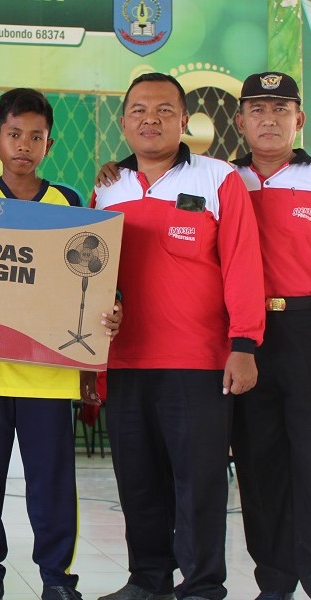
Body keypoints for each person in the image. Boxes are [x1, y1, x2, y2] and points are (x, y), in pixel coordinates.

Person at [0, 87, 121, 600]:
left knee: (51, 482)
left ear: (49, 145)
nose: (24, 146)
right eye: (14, 134)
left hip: (48, 377)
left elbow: (93, 279)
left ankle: (57, 579)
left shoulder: (69, 204)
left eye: (36, 137)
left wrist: (111, 307)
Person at [91, 73, 265, 600]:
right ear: (124, 122)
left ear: (184, 120)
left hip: (199, 362)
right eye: (139, 110)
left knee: (199, 483)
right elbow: (93, 274)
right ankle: (147, 580)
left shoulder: (219, 179)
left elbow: (242, 265)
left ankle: (203, 585)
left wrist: (244, 344)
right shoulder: (107, 188)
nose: (151, 119)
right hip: (126, 361)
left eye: (164, 110)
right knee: (138, 481)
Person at [228, 72, 311, 600]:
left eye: (281, 109)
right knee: (258, 463)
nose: (269, 119)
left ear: (298, 119)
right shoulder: (221, 181)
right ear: (240, 121)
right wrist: (118, 166)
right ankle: (275, 581)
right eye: (257, 109)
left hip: (306, 328)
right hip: (244, 337)